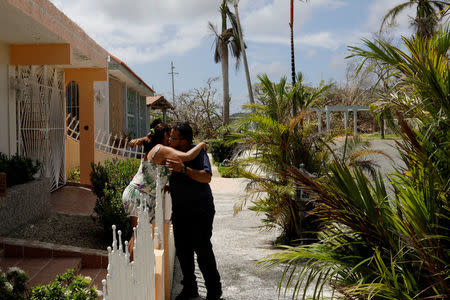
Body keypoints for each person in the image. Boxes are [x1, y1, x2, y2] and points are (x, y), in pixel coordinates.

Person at [123, 123, 208, 258]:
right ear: (164, 136)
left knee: (137, 233)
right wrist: (201, 145)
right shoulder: (161, 149)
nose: (171, 140)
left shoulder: (157, 147)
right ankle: (132, 270)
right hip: (140, 195)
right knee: (138, 234)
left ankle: (131, 266)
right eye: (170, 136)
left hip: (141, 194)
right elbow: (187, 156)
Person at [166, 122, 222, 300]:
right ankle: (190, 288)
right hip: (180, 211)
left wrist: (184, 169)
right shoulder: (173, 152)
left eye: (173, 137)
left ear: (184, 141)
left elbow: (206, 177)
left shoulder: (198, 153)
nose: (170, 139)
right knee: (183, 252)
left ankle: (214, 291)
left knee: (203, 250)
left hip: (200, 210)